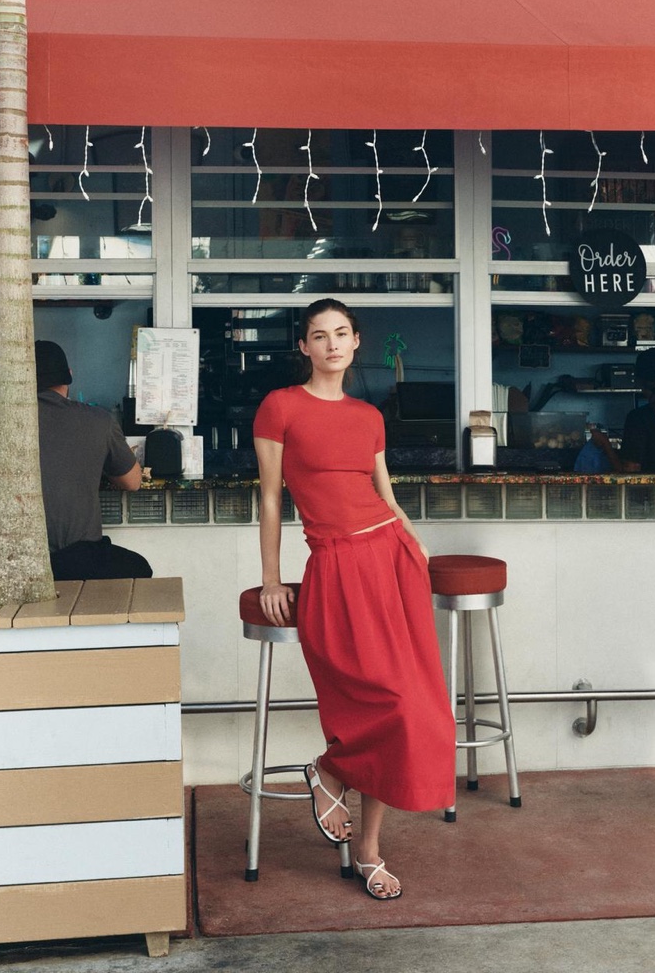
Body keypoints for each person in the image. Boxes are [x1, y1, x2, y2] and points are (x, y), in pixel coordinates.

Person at [253, 298, 455, 901]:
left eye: (342, 333)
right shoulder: (280, 407)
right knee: (385, 706)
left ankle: (367, 850)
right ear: (304, 347)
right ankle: (330, 769)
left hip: (392, 559)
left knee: (421, 710)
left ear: (357, 341)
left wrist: (413, 542)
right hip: (337, 566)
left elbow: (384, 493)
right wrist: (271, 577)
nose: (332, 344)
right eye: (320, 335)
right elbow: (270, 501)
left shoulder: (369, 415)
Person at [35, 339, 153, 581]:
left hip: (18, 559)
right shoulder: (99, 420)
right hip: (78, 558)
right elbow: (133, 482)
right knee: (140, 569)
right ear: (69, 375)